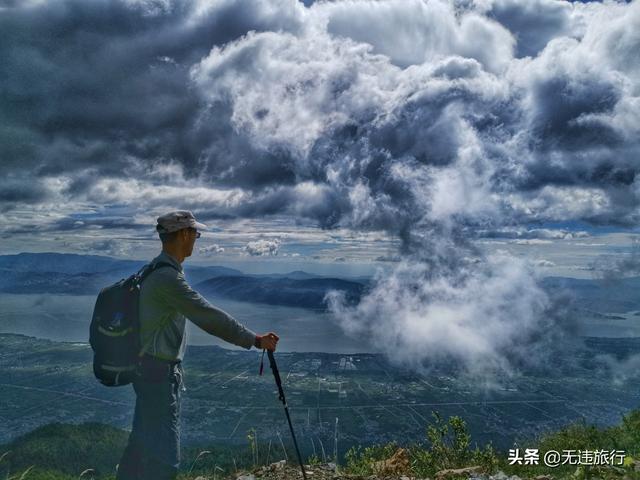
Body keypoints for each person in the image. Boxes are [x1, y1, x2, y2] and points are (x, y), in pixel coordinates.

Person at [116, 210, 279, 479]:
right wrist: (254, 340)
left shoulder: (155, 270)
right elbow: (209, 316)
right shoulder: (167, 279)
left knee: (140, 447)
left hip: (148, 372)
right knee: (166, 459)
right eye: (195, 233)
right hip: (158, 376)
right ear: (183, 234)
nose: (196, 239)